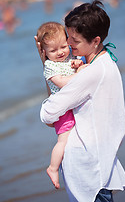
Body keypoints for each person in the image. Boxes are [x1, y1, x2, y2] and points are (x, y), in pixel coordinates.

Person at [37, 0, 125, 202]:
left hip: (87, 166)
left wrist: (46, 66)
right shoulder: (105, 62)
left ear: (95, 40)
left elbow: (47, 115)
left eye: (75, 40)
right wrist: (51, 69)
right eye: (68, 37)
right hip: (99, 161)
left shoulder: (89, 74)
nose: (69, 45)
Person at [35, 22, 86, 190]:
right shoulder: (49, 66)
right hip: (62, 109)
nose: (60, 53)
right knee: (63, 141)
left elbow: (73, 66)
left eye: (63, 46)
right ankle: (53, 167)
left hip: (71, 105)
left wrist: (77, 65)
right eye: (53, 50)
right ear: (44, 52)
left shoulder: (69, 57)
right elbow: (63, 83)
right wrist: (79, 74)